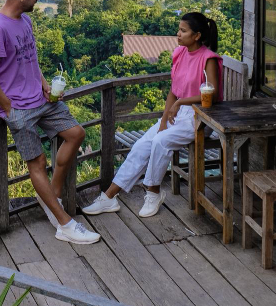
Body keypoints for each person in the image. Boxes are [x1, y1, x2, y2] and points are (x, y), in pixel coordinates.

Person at [0, 0, 100, 245]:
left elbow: (29, 59)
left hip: (41, 99)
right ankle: (65, 224)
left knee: (76, 134)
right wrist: (9, 108)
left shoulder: (25, 21)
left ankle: (51, 196)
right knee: (38, 162)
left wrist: (44, 84)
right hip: (19, 109)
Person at [83, 12, 222, 219]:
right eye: (179, 29)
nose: (178, 34)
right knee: (142, 144)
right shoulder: (180, 54)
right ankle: (109, 196)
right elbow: (173, 91)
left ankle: (153, 192)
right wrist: (164, 120)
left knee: (160, 141)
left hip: (201, 116)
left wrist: (180, 103)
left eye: (183, 31)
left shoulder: (208, 59)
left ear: (197, 35)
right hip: (177, 113)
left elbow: (212, 95)